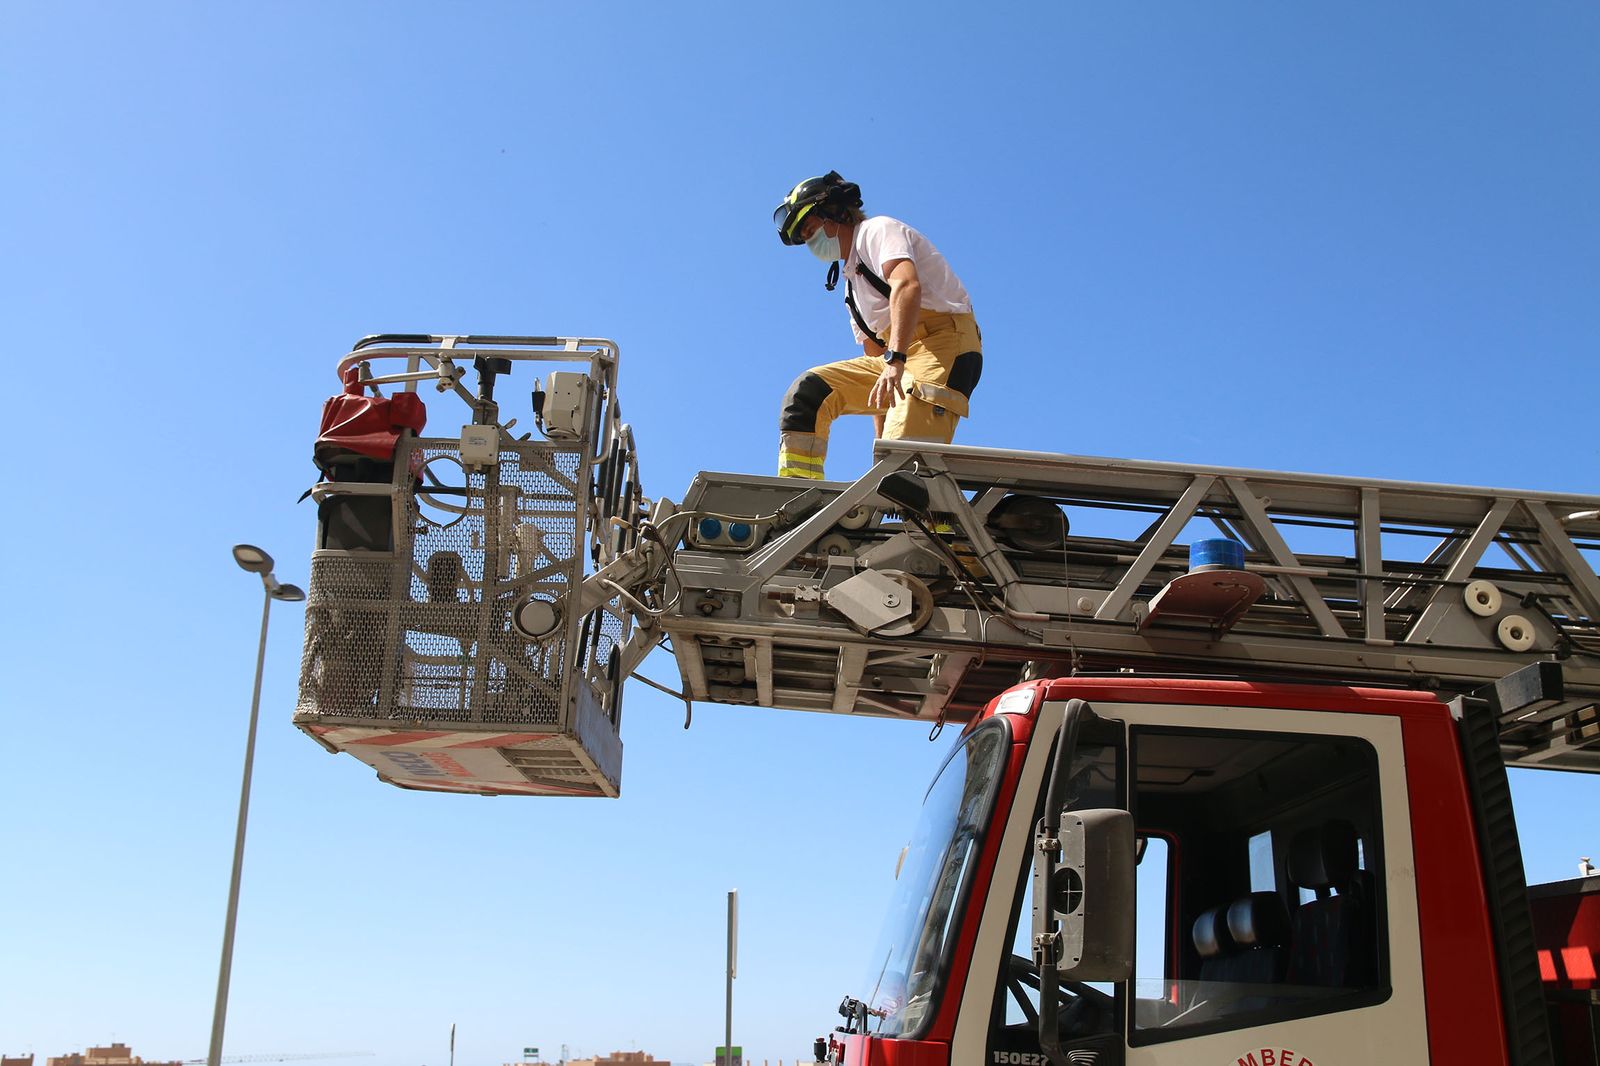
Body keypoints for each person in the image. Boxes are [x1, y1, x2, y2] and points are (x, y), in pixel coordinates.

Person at [772, 171, 983, 479]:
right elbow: (878, 368)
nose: (810, 242)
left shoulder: (876, 230)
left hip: (944, 345)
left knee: (900, 470)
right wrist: (881, 440)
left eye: (809, 229)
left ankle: (941, 525)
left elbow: (907, 286)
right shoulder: (851, 288)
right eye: (804, 239)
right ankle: (800, 496)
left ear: (833, 212)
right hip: (899, 358)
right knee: (808, 393)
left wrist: (896, 359)